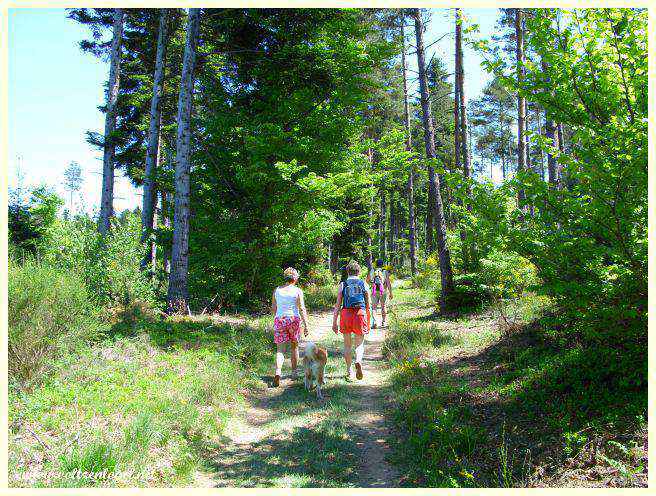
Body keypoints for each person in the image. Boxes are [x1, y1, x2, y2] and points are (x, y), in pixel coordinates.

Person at [332, 260, 371, 380]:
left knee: (347, 345)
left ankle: (349, 371)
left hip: (346, 314)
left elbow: (338, 305)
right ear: (359, 272)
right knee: (359, 344)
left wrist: (334, 322)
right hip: (360, 313)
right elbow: (368, 304)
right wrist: (369, 319)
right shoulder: (363, 283)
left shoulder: (343, 284)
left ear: (347, 272)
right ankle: (358, 361)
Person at [271, 267, 309, 387]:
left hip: (280, 319)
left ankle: (278, 371)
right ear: (295, 278)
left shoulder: (277, 290)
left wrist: (277, 319)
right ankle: (294, 372)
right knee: (294, 347)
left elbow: (273, 308)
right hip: (293, 320)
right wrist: (306, 325)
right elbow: (301, 308)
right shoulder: (297, 291)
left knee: (280, 350)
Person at [366, 259, 393, 328]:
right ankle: (383, 322)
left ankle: (374, 322)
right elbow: (388, 283)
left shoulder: (372, 271)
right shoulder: (385, 272)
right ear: (382, 264)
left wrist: (372, 285)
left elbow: (367, 280)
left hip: (374, 291)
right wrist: (390, 293)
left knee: (374, 307)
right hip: (383, 291)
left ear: (376, 264)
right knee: (383, 306)